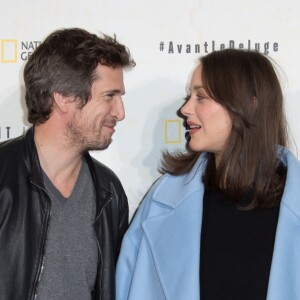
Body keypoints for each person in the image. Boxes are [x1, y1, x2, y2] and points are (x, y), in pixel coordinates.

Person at [116, 49, 300, 300]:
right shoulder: (163, 200)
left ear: (248, 103)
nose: (185, 109)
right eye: (189, 96)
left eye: (200, 97)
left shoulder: (291, 205)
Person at [0, 28, 135, 300]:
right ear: (63, 96)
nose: (120, 112)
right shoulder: (3, 176)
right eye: (109, 96)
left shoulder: (109, 192)